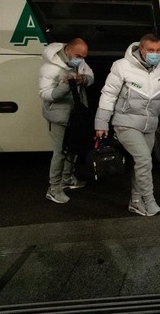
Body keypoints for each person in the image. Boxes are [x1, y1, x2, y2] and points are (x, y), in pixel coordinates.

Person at [94, 34, 160, 216]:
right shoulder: (122, 66)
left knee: (142, 163)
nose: (155, 54)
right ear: (141, 49)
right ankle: (149, 200)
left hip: (150, 125)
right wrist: (101, 123)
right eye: (151, 50)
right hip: (126, 122)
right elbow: (108, 95)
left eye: (158, 50)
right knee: (144, 159)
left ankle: (136, 201)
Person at [38, 38, 94, 204]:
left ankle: (67, 179)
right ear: (67, 49)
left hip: (76, 115)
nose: (81, 59)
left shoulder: (79, 63)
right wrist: (65, 86)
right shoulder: (49, 68)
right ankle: (54, 189)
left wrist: (83, 79)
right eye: (78, 55)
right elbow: (44, 94)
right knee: (60, 153)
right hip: (58, 116)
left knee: (73, 149)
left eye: (84, 56)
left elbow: (91, 77)